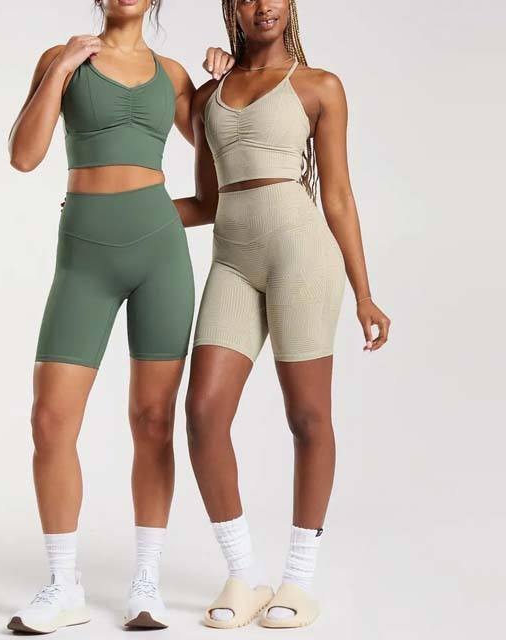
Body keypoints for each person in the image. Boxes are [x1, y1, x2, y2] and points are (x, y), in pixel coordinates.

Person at [5, 0, 234, 632]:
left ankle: (146, 583)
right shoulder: (63, 59)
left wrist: (222, 89)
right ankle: (63, 586)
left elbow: (219, 176)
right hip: (84, 258)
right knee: (51, 419)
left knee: (153, 419)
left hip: (160, 257)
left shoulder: (174, 74)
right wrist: (61, 69)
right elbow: (23, 156)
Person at [181, 0, 392, 629]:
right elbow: (206, 203)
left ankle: (298, 581)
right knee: (203, 414)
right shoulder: (208, 96)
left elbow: (339, 196)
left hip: (303, 258)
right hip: (232, 263)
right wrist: (117, 211)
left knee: (307, 417)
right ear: (232, 9)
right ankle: (245, 576)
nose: (262, 5)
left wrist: (364, 293)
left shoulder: (319, 86)